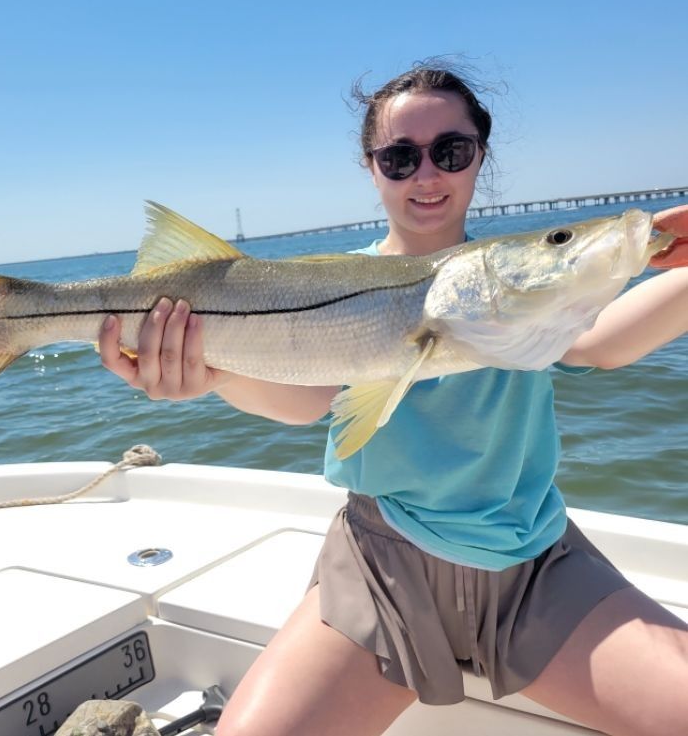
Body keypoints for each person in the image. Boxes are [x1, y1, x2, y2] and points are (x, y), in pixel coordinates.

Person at [99, 65, 688, 736]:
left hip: (532, 568)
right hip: (380, 568)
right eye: (401, 157)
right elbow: (304, 402)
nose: (427, 175)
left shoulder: (526, 296)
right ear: (372, 167)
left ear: (479, 156)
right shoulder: (332, 281)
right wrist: (211, 377)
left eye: (451, 151)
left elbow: (600, 342)